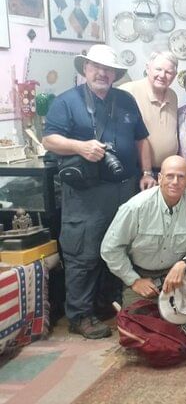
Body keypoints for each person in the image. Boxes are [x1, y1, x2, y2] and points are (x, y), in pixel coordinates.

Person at [43, 44, 154, 339]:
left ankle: (107, 305)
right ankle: (80, 316)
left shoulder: (125, 100)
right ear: (85, 69)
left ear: (115, 74)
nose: (102, 73)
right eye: (97, 67)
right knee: (83, 253)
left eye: (108, 69)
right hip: (86, 193)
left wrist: (146, 173)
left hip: (124, 189)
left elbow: (141, 140)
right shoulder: (67, 102)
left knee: (117, 248)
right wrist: (80, 147)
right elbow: (49, 140)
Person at [100, 156, 186, 334]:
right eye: (170, 176)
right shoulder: (136, 207)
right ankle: (165, 313)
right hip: (143, 274)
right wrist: (134, 280)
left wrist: (184, 264)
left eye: (181, 177)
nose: (175, 182)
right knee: (137, 326)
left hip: (178, 272)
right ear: (160, 178)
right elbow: (110, 248)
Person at [120, 50, 179, 176]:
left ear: (174, 75)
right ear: (148, 68)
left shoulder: (173, 95)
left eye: (168, 72)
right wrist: (146, 171)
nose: (162, 75)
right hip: (138, 172)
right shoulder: (128, 91)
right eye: (158, 69)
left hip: (166, 171)